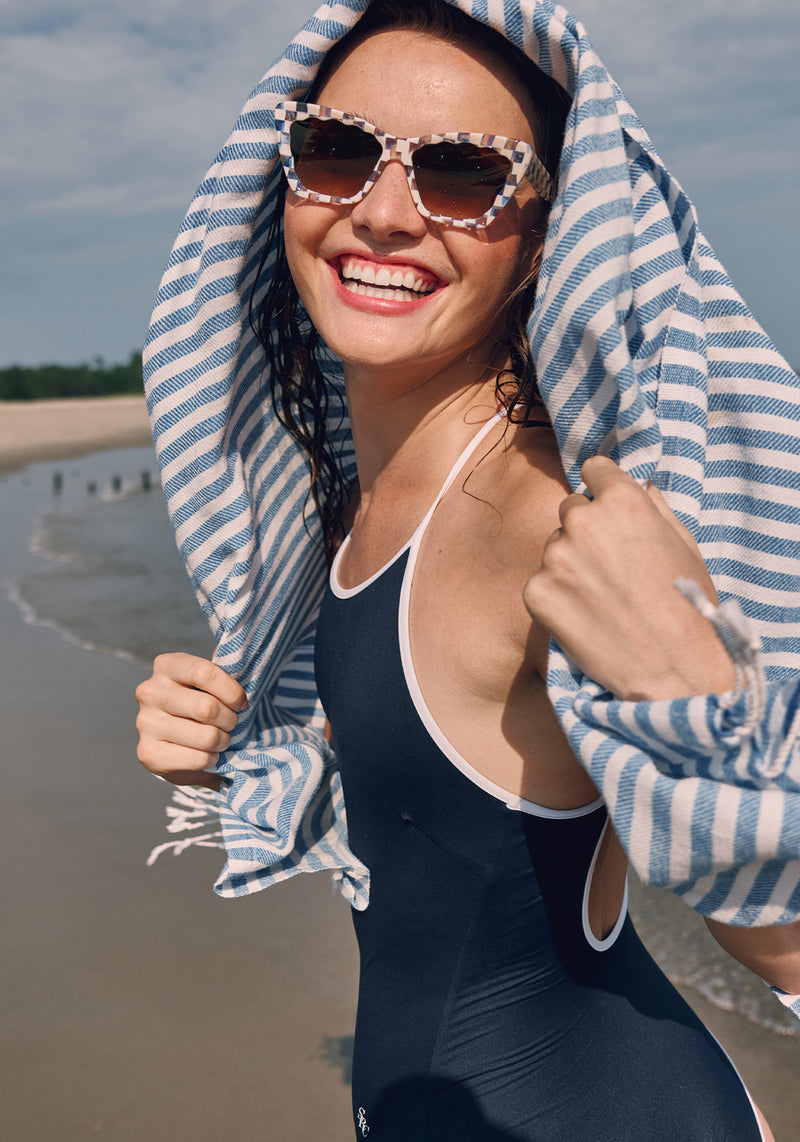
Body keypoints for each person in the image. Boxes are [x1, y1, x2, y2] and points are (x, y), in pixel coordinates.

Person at [136, 1, 800, 1138]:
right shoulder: (368, 496)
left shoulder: (543, 515)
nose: (383, 214)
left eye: (461, 175)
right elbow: (443, 800)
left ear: (545, 233)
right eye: (337, 151)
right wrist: (234, 753)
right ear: (280, 177)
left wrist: (702, 703)